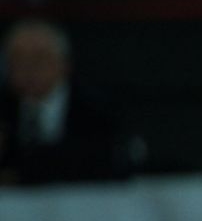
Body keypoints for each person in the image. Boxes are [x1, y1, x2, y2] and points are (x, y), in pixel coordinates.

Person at [0, 19, 129, 186]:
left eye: (39, 59)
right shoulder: (4, 108)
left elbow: (101, 165)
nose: (28, 68)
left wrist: (21, 174)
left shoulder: (96, 110)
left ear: (64, 64)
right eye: (18, 60)